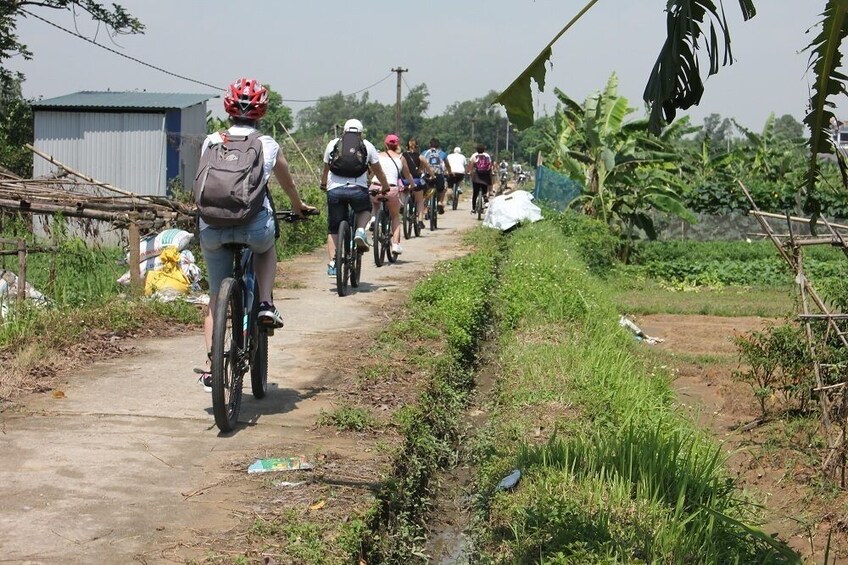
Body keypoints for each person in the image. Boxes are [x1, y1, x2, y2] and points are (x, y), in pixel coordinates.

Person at [197, 77, 316, 390]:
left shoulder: (212, 140)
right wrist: (298, 205)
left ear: (227, 108)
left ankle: (212, 368)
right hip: (254, 226)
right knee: (266, 247)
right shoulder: (267, 144)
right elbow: (288, 184)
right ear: (262, 112)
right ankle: (264, 303)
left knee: (213, 300)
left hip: (212, 227)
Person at [321, 118, 392, 276]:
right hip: (357, 190)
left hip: (335, 191)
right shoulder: (367, 145)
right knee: (365, 209)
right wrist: (385, 186)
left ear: (344, 131)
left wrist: (323, 184)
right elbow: (378, 170)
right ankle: (360, 231)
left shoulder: (332, 144)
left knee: (333, 228)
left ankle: (333, 263)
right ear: (360, 133)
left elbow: (326, 168)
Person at [369, 134, 416, 255]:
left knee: (375, 203)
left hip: (375, 186)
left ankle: (375, 219)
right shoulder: (401, 158)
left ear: (385, 144)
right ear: (397, 145)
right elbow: (407, 175)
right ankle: (395, 245)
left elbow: (372, 172)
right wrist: (412, 185)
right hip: (391, 189)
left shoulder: (378, 156)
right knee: (395, 216)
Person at [401, 138, 431, 231]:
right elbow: (426, 166)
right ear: (417, 147)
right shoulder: (420, 156)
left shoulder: (402, 156)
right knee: (420, 200)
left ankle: (403, 207)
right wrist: (432, 175)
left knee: (403, 193)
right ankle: (420, 221)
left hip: (404, 180)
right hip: (416, 181)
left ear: (406, 147)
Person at [422, 138, 447, 216]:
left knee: (427, 190)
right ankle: (440, 202)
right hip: (438, 175)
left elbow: (421, 164)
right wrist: (449, 172)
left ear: (429, 145)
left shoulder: (424, 153)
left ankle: (425, 208)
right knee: (443, 188)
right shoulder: (442, 153)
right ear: (438, 145)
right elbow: (447, 165)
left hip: (428, 175)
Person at [468, 143, 494, 214]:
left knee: (475, 193)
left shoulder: (474, 155)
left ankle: (473, 209)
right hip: (485, 175)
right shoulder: (487, 155)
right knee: (484, 189)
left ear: (476, 150)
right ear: (484, 150)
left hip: (477, 175)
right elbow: (490, 165)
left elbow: (471, 165)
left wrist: (470, 172)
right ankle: (485, 195)